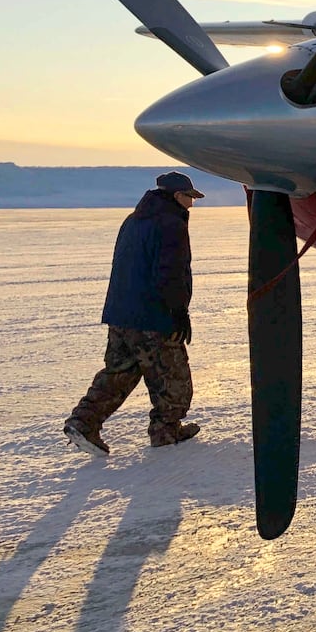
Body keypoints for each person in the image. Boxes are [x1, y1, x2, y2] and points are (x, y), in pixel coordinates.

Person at [63, 171, 204, 455]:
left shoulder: (134, 219)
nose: (192, 204)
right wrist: (177, 312)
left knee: (121, 371)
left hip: (121, 314)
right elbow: (171, 272)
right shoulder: (171, 223)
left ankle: (84, 420)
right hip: (153, 316)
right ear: (177, 196)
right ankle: (167, 430)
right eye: (190, 197)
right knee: (173, 376)